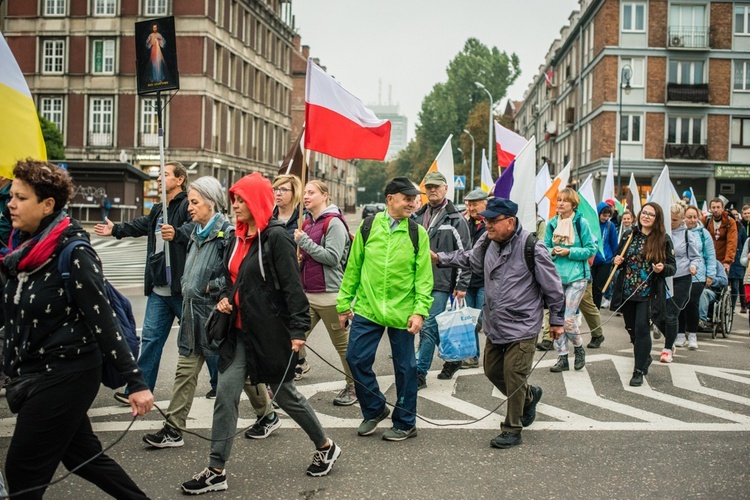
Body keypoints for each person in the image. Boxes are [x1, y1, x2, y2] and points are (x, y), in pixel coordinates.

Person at [2, 160, 154, 499]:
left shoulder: (74, 252)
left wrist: (136, 382)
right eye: (10, 196)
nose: (10, 204)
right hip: (34, 372)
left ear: (47, 205)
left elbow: (104, 321)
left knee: (22, 469)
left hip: (66, 374)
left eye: (20, 198)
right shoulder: (23, 250)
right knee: (84, 457)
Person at [182, 173, 340, 495]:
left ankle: (325, 445)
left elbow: (294, 289)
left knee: (285, 395)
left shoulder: (276, 238)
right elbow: (231, 278)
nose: (235, 206)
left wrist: (298, 331)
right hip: (239, 332)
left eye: (241, 200)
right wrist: (226, 296)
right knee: (225, 395)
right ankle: (216, 469)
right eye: (234, 199)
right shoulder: (236, 237)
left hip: (269, 332)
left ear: (255, 202)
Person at [142, 177, 278, 448]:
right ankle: (173, 429)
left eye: (194, 202)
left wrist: (209, 287)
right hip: (192, 317)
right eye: (190, 202)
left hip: (218, 318)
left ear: (211, 203)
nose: (189, 208)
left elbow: (235, 275)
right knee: (185, 372)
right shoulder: (195, 232)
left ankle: (268, 414)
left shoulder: (227, 234)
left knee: (243, 373)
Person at [434, 197, 564, 448]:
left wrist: (557, 322)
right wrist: (440, 258)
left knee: (513, 374)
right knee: (493, 371)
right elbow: (469, 258)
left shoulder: (532, 248)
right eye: (486, 220)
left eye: (493, 220)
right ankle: (529, 396)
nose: (488, 225)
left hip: (523, 325)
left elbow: (554, 288)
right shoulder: (487, 242)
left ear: (511, 222)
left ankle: (512, 428)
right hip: (495, 323)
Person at [338, 177, 433, 441]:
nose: (413, 203)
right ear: (390, 199)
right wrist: (344, 304)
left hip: (403, 312)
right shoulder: (369, 227)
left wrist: (419, 311)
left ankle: (405, 422)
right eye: (408, 198)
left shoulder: (417, 233)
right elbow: (353, 268)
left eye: (415, 199)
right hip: (368, 309)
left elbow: (424, 277)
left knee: (406, 368)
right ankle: (375, 409)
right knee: (355, 358)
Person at [95, 161, 195, 402]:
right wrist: (117, 229)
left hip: (181, 288)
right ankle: (139, 388)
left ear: (180, 179)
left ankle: (217, 384)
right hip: (160, 287)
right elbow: (142, 225)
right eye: (159, 176)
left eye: (165, 175)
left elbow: (198, 226)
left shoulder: (186, 204)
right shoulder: (159, 208)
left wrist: (178, 233)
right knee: (150, 339)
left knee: (197, 341)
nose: (159, 179)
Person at [294, 180, 357, 406]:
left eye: (311, 192)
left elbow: (331, 258)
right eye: (305, 193)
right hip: (308, 294)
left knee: (343, 347)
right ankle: (282, 385)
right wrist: (300, 259)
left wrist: (305, 243)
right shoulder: (308, 222)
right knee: (294, 338)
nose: (306, 196)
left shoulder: (334, 223)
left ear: (325, 195)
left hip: (331, 295)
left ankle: (354, 386)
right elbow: (311, 255)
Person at [413, 171, 471, 386]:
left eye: (437, 186)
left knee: (428, 326)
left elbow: (467, 254)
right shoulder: (418, 216)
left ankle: (420, 373)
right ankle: (454, 359)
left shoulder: (456, 218)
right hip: (418, 281)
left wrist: (462, 284)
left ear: (446, 188)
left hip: (441, 282)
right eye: (428, 187)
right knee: (430, 326)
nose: (432, 190)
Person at [611, 203, 676, 386]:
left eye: (651, 215)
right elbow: (617, 260)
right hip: (628, 291)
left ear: (657, 219)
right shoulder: (629, 235)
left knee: (641, 329)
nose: (646, 216)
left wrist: (662, 268)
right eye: (644, 213)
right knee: (632, 331)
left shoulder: (663, 240)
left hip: (649, 293)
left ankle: (638, 371)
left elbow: (673, 267)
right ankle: (644, 357)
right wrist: (617, 261)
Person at [544, 188, 597, 372]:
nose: (560, 203)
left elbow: (591, 249)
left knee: (568, 319)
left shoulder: (581, 223)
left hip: (577, 277)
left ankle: (579, 349)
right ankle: (562, 358)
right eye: (558, 200)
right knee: (556, 319)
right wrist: (552, 250)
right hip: (556, 278)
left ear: (573, 204)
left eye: (564, 201)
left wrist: (570, 251)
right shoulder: (551, 224)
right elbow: (545, 247)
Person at [662, 204, 701, 362]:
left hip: (682, 277)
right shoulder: (662, 232)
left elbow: (696, 257)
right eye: (669, 219)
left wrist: (693, 266)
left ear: (681, 220)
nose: (671, 222)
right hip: (664, 276)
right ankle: (670, 338)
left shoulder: (687, 235)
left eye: (675, 220)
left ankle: (667, 348)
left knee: (672, 313)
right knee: (658, 313)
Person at [459, 188, 488, 369]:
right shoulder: (463, 222)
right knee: (468, 319)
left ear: (485, 204)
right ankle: (472, 357)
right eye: (468, 204)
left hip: (486, 280)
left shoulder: (491, 222)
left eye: (475, 204)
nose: (470, 208)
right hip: (467, 280)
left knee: (480, 320)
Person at [680, 205, 716, 349]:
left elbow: (711, 255)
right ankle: (680, 334)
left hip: (698, 275)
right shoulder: (679, 232)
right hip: (682, 273)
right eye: (689, 217)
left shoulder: (704, 233)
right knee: (680, 304)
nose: (692, 220)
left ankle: (693, 335)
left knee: (692, 303)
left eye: (695, 217)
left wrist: (710, 274)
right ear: (684, 218)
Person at [591, 202, 619, 308]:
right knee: (590, 287)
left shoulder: (610, 225)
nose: (605, 218)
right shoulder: (592, 224)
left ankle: (596, 309)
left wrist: (614, 258)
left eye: (608, 216)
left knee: (599, 288)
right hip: (592, 259)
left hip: (605, 261)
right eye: (603, 215)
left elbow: (614, 243)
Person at [703, 198, 738, 275]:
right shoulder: (706, 220)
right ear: (710, 209)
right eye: (713, 207)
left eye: (718, 207)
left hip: (723, 260)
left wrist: (727, 261)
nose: (716, 210)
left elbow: (732, 242)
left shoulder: (730, 222)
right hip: (707, 260)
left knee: (721, 284)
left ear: (723, 208)